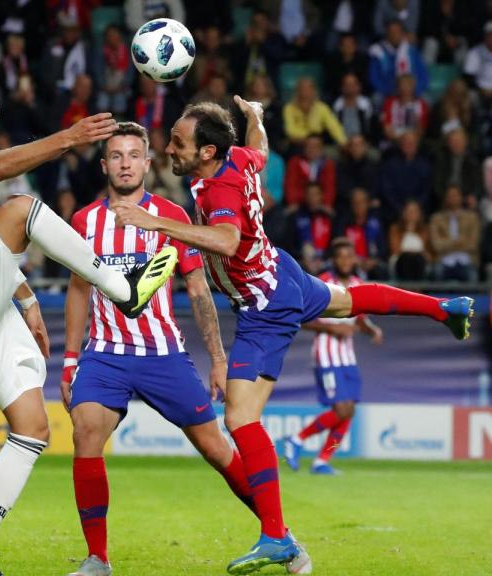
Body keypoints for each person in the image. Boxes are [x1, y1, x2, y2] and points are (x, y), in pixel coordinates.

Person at [111, 97, 473, 574]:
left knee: (240, 419)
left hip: (265, 304)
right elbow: (257, 150)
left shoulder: (218, 190)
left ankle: (275, 537)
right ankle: (445, 310)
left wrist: (157, 221)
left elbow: (226, 240)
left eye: (178, 142)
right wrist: (256, 117)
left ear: (206, 152)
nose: (167, 149)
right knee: (348, 299)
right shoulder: (236, 157)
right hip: (282, 271)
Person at [0, 77, 169, 575]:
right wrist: (68, 138)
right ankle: (122, 288)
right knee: (22, 208)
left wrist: (25, 298)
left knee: (32, 428)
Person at [61, 122, 281, 576]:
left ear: (147, 162)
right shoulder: (84, 222)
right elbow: (79, 289)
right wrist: (69, 360)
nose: (125, 164)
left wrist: (218, 360)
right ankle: (97, 559)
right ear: (104, 166)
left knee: (218, 451)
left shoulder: (173, 217)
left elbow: (199, 290)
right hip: (105, 355)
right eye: (116, 156)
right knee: (85, 434)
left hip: (164, 355)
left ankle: (279, 536)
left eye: (133, 155)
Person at [284, 238, 382, 476]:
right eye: (341, 256)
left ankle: (322, 461)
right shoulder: (323, 283)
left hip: (348, 356)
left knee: (349, 410)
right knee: (341, 409)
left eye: (350, 256)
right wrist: (331, 328)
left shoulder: (359, 284)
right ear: (333, 260)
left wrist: (371, 329)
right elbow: (302, 318)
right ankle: (297, 439)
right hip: (326, 355)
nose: (346, 261)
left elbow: (359, 317)